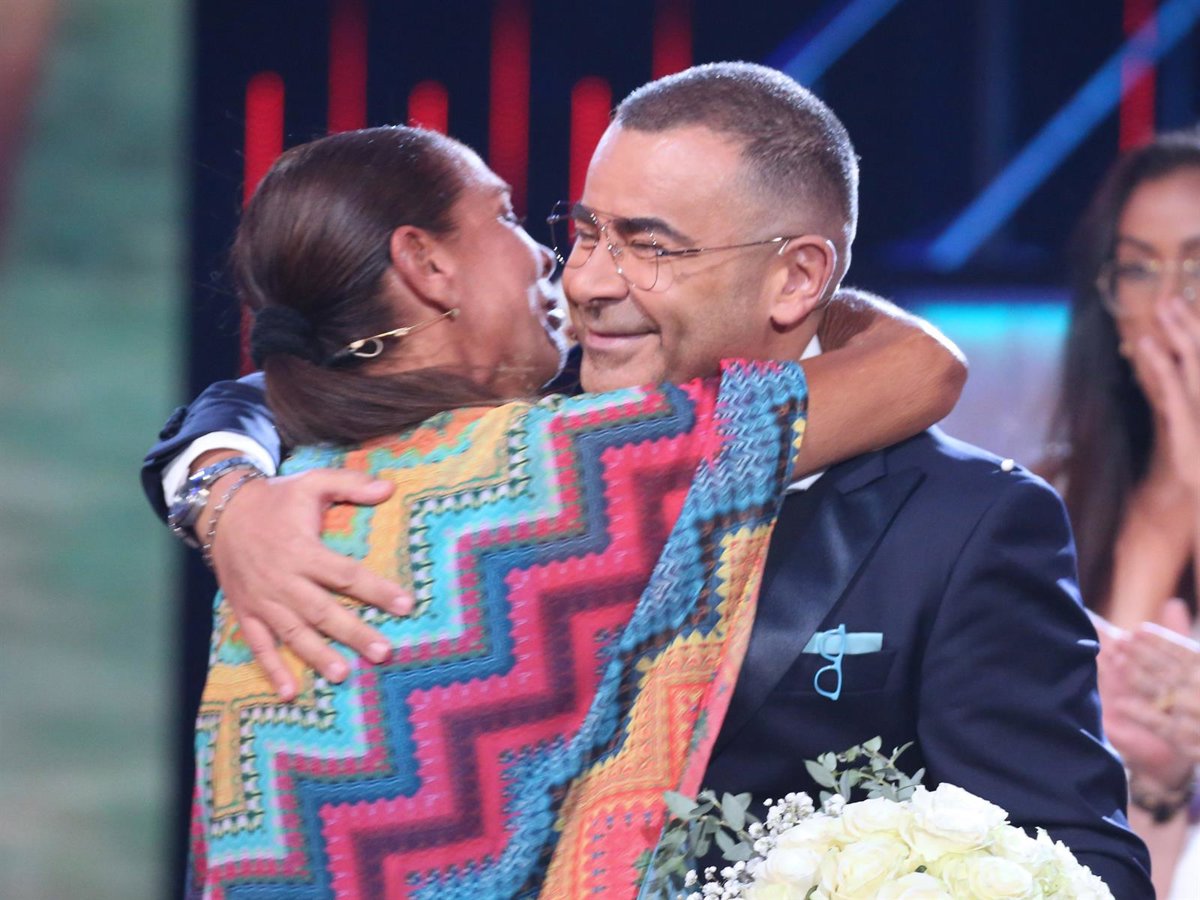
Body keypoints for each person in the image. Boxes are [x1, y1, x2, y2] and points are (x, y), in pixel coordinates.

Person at [145, 64, 1152, 896]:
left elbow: (1082, 869)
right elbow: (278, 390)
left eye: (648, 246)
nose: (583, 280)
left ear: (798, 277)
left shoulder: (965, 525)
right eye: (585, 231)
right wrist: (223, 495)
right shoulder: (495, 463)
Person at [1046, 129, 1200, 899]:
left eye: (1199, 267)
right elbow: (1088, 736)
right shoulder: (1044, 499)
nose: (1169, 304)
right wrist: (1171, 499)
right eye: (1138, 269)